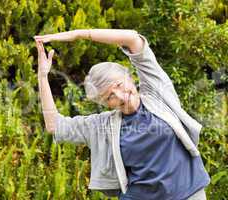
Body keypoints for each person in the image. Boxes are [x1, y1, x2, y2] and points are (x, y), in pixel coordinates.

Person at [34, 29, 210, 200]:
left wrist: (80, 34)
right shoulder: (102, 126)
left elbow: (132, 38)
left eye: (118, 85)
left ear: (130, 77)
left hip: (190, 193)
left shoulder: (157, 93)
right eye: (110, 96)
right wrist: (42, 77)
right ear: (105, 104)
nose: (120, 96)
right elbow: (54, 125)